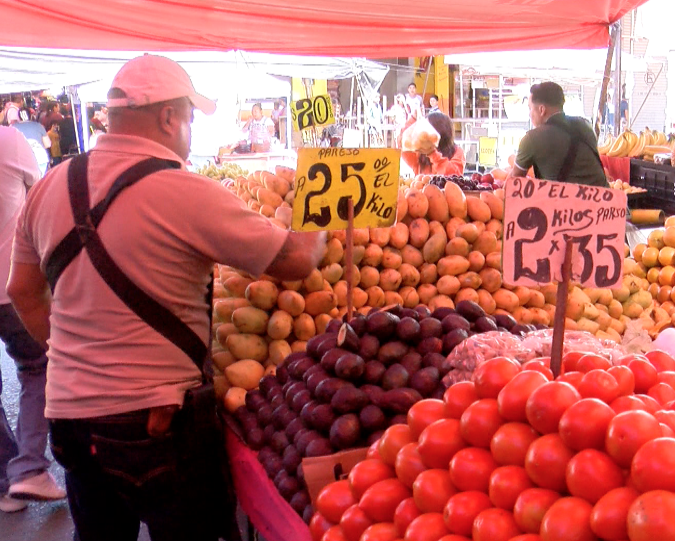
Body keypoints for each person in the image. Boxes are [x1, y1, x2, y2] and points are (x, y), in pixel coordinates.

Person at [6, 54, 326, 541]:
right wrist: (324, 217)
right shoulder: (186, 191)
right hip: (159, 423)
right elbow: (295, 260)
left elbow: (22, 291)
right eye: (191, 117)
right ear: (169, 117)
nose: (191, 131)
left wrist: (73, 357)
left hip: (72, 420)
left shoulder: (50, 185)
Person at [0, 126, 66, 513]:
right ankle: (27, 468)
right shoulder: (8, 141)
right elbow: (40, 197)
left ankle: (5, 479)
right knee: (38, 367)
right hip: (10, 283)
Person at [511, 82, 608, 187]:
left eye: (530, 108)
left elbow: (513, 183)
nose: (529, 114)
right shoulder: (586, 125)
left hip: (568, 197)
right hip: (606, 196)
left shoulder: (532, 138)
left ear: (542, 110)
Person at [402, 111, 465, 176]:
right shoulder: (420, 153)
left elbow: (453, 176)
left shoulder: (456, 151)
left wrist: (432, 153)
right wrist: (412, 119)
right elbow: (403, 143)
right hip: (420, 182)